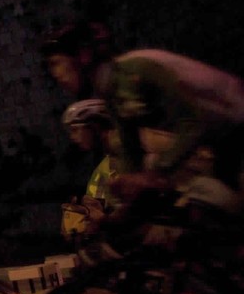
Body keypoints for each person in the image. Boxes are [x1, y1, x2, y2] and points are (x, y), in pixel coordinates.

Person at [41, 23, 243, 240]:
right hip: (225, 145)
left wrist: (154, 174)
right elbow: (132, 153)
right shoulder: (113, 92)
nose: (56, 74)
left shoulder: (133, 71)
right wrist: (120, 212)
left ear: (83, 55)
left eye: (57, 63)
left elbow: (192, 122)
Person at [60, 99, 120, 241]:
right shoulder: (103, 166)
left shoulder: (125, 151)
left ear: (94, 127)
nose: (73, 137)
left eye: (75, 130)